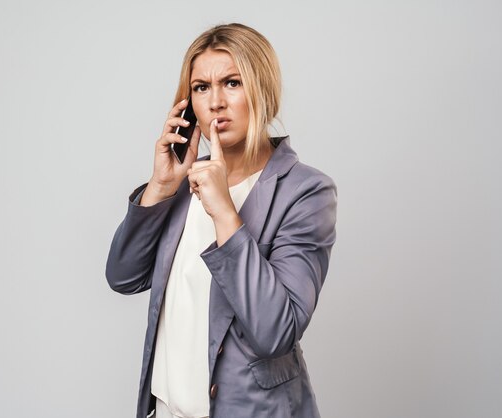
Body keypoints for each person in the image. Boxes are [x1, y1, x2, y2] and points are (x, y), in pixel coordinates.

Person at [106, 23, 337, 418]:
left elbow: (275, 332)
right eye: (200, 87)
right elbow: (123, 277)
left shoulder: (305, 191)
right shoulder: (181, 183)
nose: (215, 102)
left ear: (263, 92)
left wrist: (225, 212)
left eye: (232, 83)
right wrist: (160, 187)